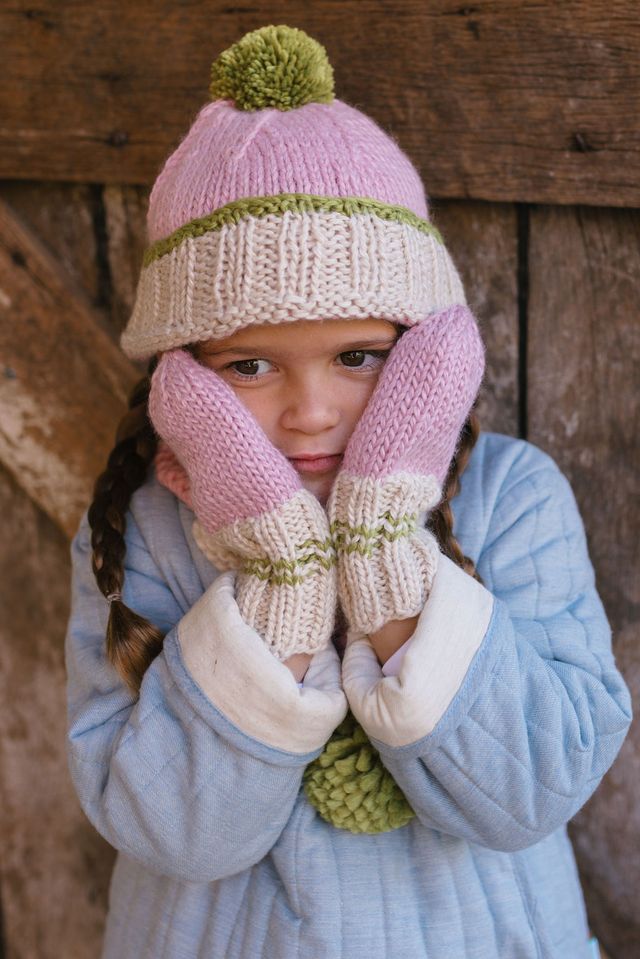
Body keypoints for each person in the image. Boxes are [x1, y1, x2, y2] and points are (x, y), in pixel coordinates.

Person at [65, 24, 631, 959]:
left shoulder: (515, 499)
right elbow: (173, 830)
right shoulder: (145, 530)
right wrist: (285, 581)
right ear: (182, 380)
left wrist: (379, 551)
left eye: (359, 356)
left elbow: (534, 788)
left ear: (424, 350)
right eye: (249, 364)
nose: (311, 411)